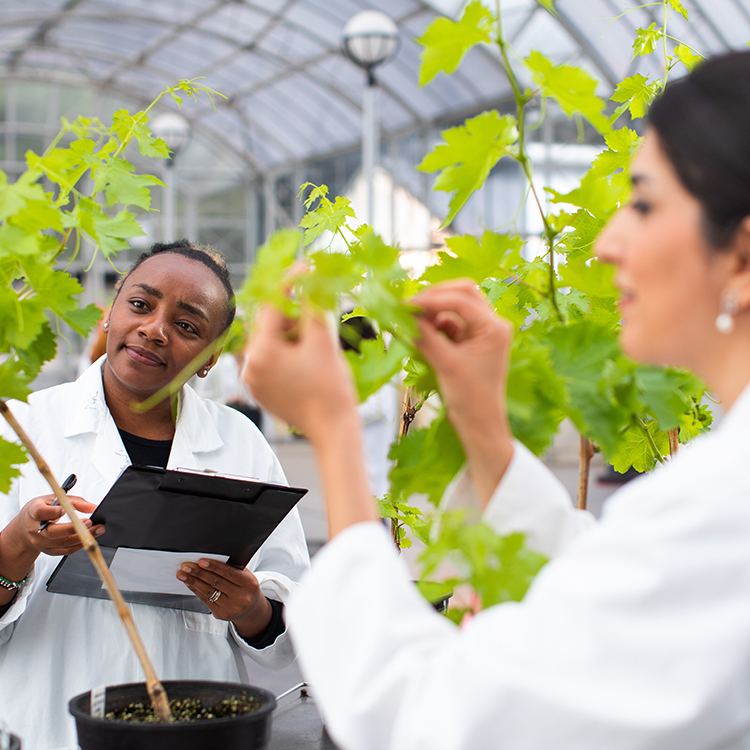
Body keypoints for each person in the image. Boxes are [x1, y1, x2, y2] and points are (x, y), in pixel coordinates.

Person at [243, 51, 750, 750]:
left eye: (643, 203)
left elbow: (424, 715)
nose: (607, 242)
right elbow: (611, 594)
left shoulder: (726, 506)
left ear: (742, 257)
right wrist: (482, 422)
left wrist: (332, 434)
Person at [0, 240, 310, 750]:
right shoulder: (27, 426)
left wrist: (248, 606)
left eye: (187, 326)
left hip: (194, 723)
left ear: (210, 360)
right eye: (141, 305)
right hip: (50, 722)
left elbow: (286, 604)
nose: (155, 330)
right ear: (112, 312)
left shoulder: (239, 444)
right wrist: (17, 545)